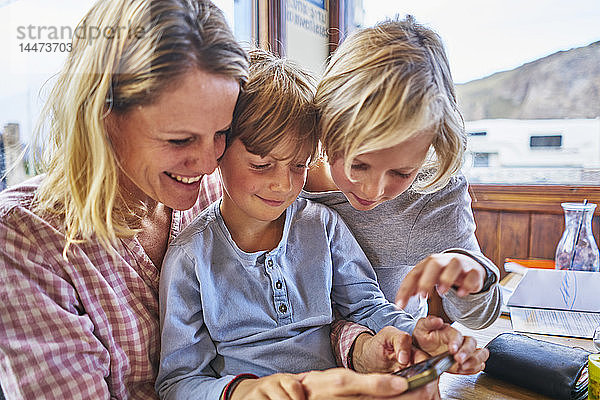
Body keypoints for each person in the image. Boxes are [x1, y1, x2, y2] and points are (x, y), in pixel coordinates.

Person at [0, 2, 475, 399]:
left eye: (222, 135)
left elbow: (331, 313)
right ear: (101, 120)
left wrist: (379, 347)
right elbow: (185, 378)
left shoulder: (241, 192)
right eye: (181, 139)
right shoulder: (24, 244)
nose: (209, 161)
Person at [156, 49, 485, 400]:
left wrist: (416, 333)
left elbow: (368, 306)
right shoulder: (190, 257)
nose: (283, 185)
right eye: (261, 165)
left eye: (298, 166)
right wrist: (245, 392)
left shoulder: (323, 224)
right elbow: (178, 382)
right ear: (218, 152)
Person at [302, 15, 502, 368]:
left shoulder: (434, 192)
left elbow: (479, 317)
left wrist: (473, 277)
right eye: (358, 164)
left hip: (395, 365)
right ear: (327, 124)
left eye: (400, 172)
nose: (373, 190)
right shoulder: (285, 177)